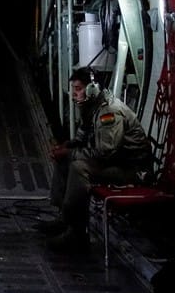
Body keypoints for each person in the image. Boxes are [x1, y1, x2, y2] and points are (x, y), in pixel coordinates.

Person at [36, 68, 153, 252]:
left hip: (132, 170)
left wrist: (69, 153)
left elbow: (104, 152)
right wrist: (68, 146)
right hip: (116, 163)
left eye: (78, 89)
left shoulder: (109, 112)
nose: (74, 94)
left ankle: (77, 234)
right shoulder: (92, 107)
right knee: (66, 160)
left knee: (79, 168)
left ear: (92, 89)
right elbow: (83, 136)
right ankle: (64, 219)